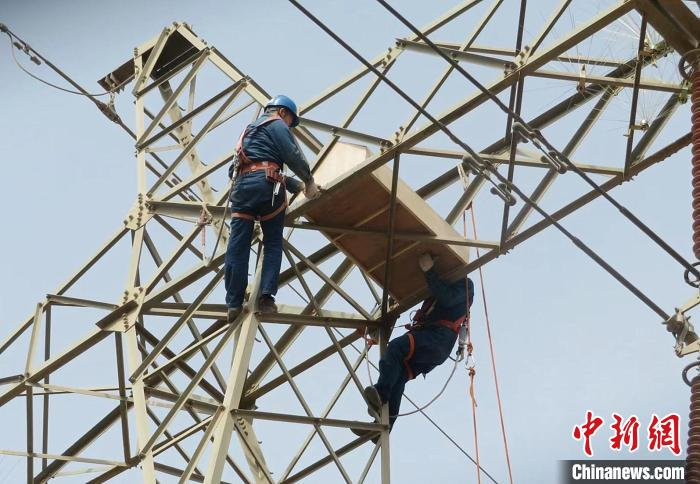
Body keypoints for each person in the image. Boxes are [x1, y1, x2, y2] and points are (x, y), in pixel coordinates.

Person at [225, 95, 321, 322]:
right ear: (283, 112)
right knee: (273, 242)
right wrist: (308, 181)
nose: (289, 127)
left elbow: (238, 170)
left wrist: (292, 184)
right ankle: (266, 298)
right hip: (266, 190)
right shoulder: (276, 124)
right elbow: (292, 154)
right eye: (291, 122)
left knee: (237, 247)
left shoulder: (247, 133)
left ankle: (233, 303)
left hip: (241, 190)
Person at [362, 253, 474, 432]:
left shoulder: (465, 284)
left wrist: (429, 272)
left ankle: (381, 393)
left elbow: (447, 297)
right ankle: (383, 427)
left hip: (437, 338)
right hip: (433, 342)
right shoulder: (442, 283)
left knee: (397, 348)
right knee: (398, 376)